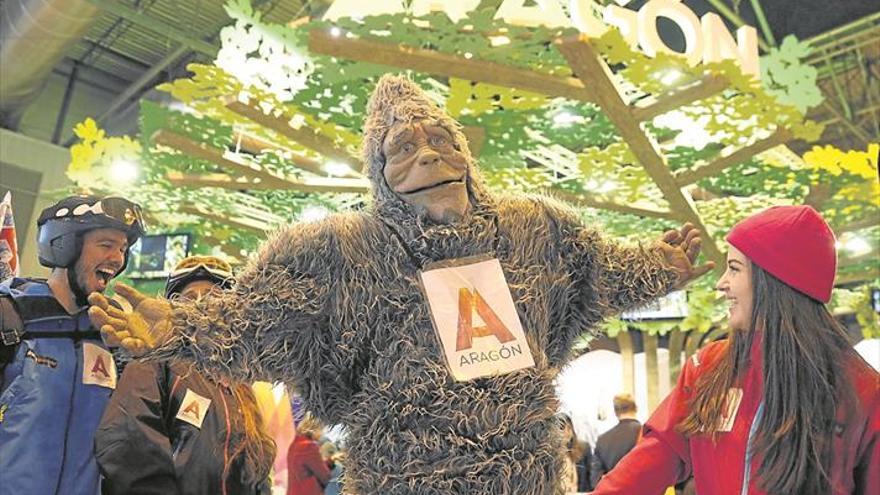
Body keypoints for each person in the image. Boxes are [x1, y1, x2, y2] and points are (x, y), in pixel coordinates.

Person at [90, 75, 714, 494]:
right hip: (401, 472)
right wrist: (178, 328)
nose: (429, 157)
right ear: (381, 175)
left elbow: (598, 270)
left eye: (442, 141)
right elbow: (261, 317)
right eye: (404, 148)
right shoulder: (342, 249)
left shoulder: (533, 229)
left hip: (522, 470)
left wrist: (662, 268)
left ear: (466, 155)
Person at [591, 205, 880, 495]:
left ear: (775, 280)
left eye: (734, 268)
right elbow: (650, 462)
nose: (721, 284)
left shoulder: (862, 391)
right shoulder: (707, 368)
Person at [0, 195, 145, 495]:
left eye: (123, 249)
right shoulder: (10, 316)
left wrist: (146, 358)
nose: (118, 259)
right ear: (63, 244)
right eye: (106, 245)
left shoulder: (114, 335)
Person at [95, 255, 276, 495]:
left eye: (213, 296)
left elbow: (257, 469)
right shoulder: (156, 364)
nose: (201, 304)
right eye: (189, 298)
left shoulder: (240, 385)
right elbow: (129, 447)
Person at [589, 394, 640, 488]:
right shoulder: (646, 435)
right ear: (636, 408)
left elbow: (596, 481)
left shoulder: (603, 440)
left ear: (616, 412)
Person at [287, 415, 331, 495]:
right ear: (313, 429)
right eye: (321, 430)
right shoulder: (309, 446)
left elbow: (304, 466)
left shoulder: (293, 444)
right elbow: (325, 476)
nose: (322, 434)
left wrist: (330, 461)